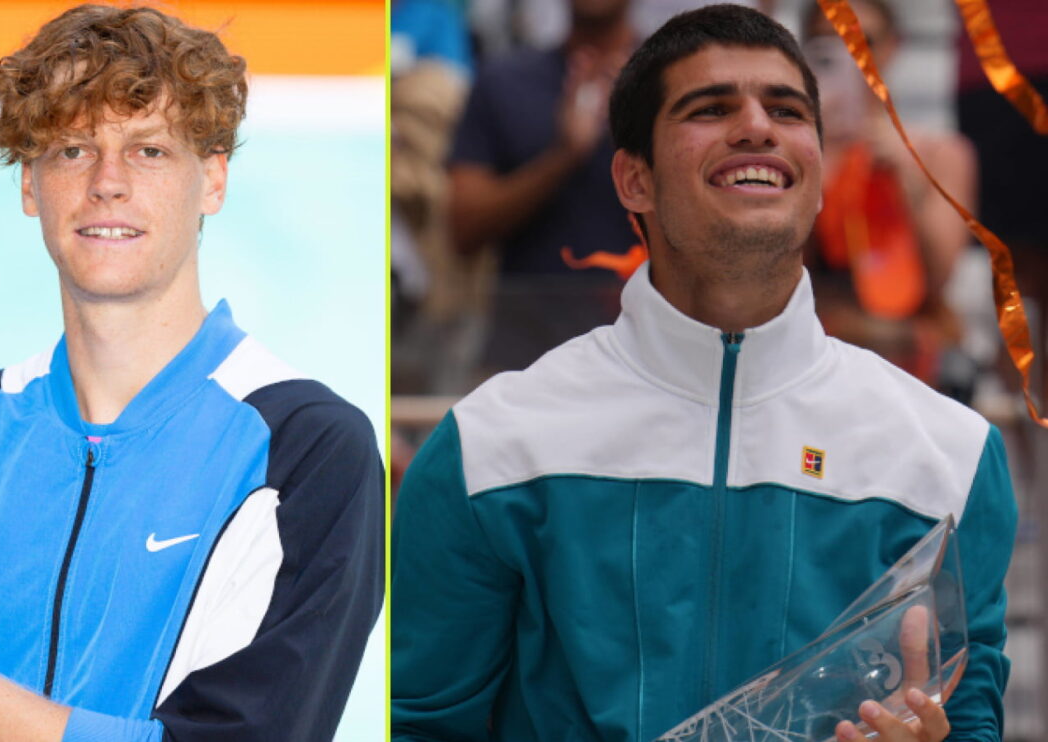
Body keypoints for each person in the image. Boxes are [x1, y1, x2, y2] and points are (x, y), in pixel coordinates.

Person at [0, 5, 384, 742]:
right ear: (30, 184)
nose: (108, 182)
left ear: (212, 180)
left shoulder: (304, 452)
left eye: (148, 150)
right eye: (73, 150)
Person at [391, 5, 1016, 742]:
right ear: (634, 180)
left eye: (786, 110)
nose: (756, 127)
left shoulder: (950, 456)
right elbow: (419, 724)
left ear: (817, 175)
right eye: (710, 108)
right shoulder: (489, 449)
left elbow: (968, 722)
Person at [447, 0, 640, 376]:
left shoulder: (672, 79)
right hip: (523, 356)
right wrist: (564, 155)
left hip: (647, 355)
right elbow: (463, 229)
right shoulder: (504, 80)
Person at [800, 0, 978, 393]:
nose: (850, 55)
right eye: (827, 42)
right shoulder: (795, 151)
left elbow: (937, 279)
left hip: (908, 349)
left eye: (863, 41)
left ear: (894, 45)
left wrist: (906, 186)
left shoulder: (938, 153)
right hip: (818, 345)